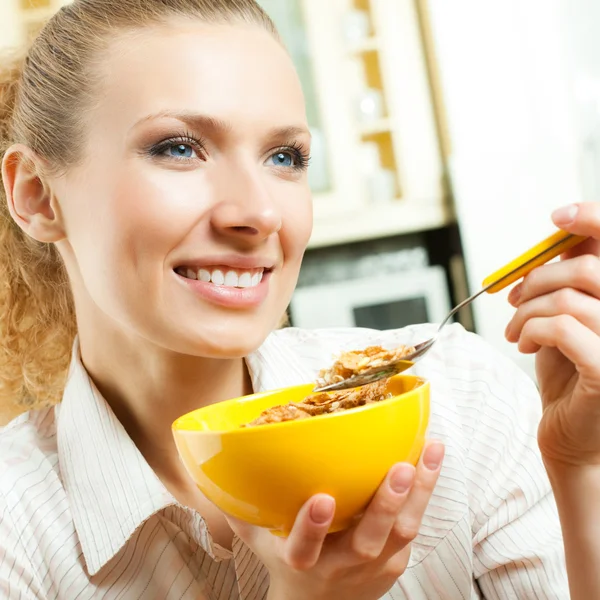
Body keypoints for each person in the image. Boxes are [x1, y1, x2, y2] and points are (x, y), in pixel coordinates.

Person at [0, 0, 598, 598]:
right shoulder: (15, 532)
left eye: (284, 158)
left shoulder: (462, 398)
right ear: (36, 195)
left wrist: (581, 467)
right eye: (179, 148)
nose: (259, 212)